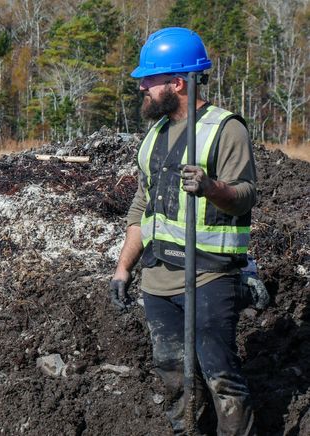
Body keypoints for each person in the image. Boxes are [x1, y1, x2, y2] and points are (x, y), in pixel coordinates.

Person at [109, 27, 258, 435]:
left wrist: (211, 187)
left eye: (150, 79)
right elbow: (143, 206)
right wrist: (124, 268)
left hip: (208, 275)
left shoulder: (225, 129)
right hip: (158, 279)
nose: (141, 86)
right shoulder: (155, 134)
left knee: (221, 378)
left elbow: (245, 196)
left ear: (178, 83)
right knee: (174, 376)